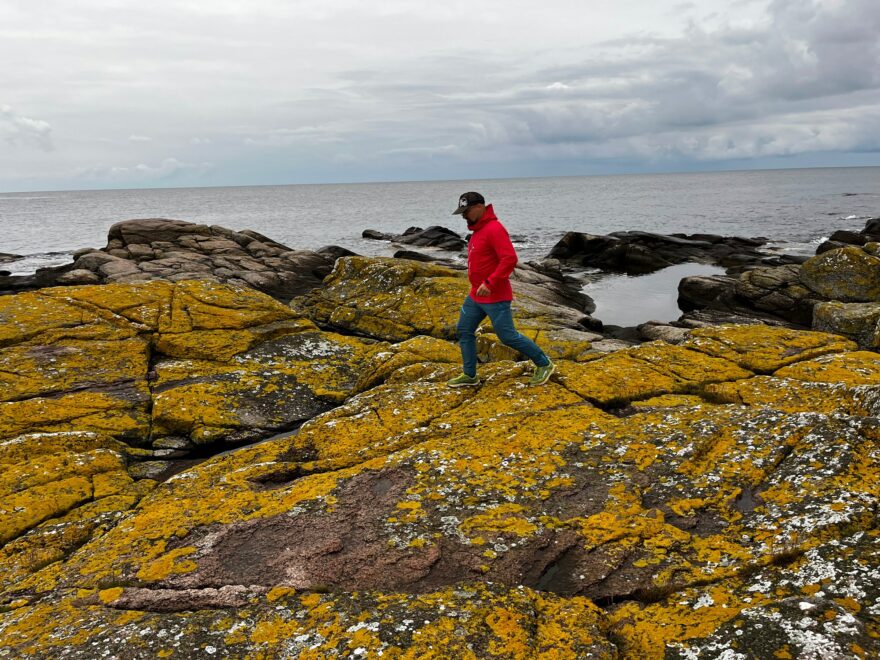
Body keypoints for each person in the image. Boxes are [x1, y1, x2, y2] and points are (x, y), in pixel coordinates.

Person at [446, 191, 556, 387]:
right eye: (462, 212)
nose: (464, 215)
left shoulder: (494, 229)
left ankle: (544, 363)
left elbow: (510, 259)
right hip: (475, 295)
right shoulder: (478, 231)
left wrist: (490, 283)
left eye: (467, 211)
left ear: (480, 207)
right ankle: (470, 375)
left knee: (507, 336)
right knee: (464, 330)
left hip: (495, 295)